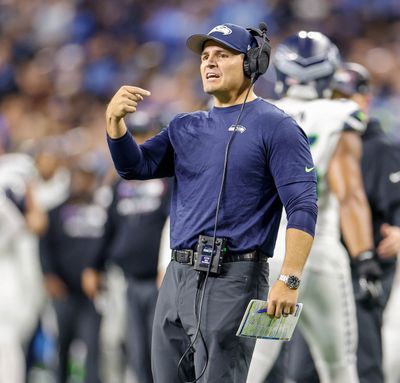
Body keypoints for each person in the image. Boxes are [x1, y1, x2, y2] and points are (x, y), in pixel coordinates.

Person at [105, 23, 318, 383]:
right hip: (178, 277)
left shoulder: (277, 126)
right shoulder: (184, 125)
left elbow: (303, 206)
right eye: (205, 57)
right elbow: (134, 166)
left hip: (235, 278)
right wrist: (115, 124)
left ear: (252, 62)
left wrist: (290, 278)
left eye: (222, 54)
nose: (210, 63)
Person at [248, 32, 377, 383]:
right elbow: (349, 193)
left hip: (268, 252)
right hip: (317, 251)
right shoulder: (340, 113)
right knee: (338, 366)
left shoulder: (257, 112)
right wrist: (365, 256)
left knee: (251, 365)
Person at [280, 62, 400, 383]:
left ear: (366, 99)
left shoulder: (379, 146)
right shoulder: (320, 137)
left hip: (362, 268)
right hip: (315, 263)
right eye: (335, 95)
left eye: (347, 96)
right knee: (304, 367)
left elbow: (384, 201)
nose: (342, 103)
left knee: (362, 362)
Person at [83, 113, 171, 383]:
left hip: (160, 280)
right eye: (137, 134)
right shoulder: (120, 182)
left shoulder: (170, 176)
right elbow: (108, 228)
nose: (142, 140)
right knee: (134, 350)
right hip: (127, 280)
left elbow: (175, 224)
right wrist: (94, 266)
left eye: (147, 133)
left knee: (162, 351)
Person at [39, 155, 106, 383]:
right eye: (78, 177)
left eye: (86, 178)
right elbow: (45, 246)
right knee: (63, 345)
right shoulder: (55, 212)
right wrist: (49, 275)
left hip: (92, 295)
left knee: (92, 347)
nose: (81, 183)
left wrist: (99, 272)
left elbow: (109, 244)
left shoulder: (103, 211)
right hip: (64, 291)